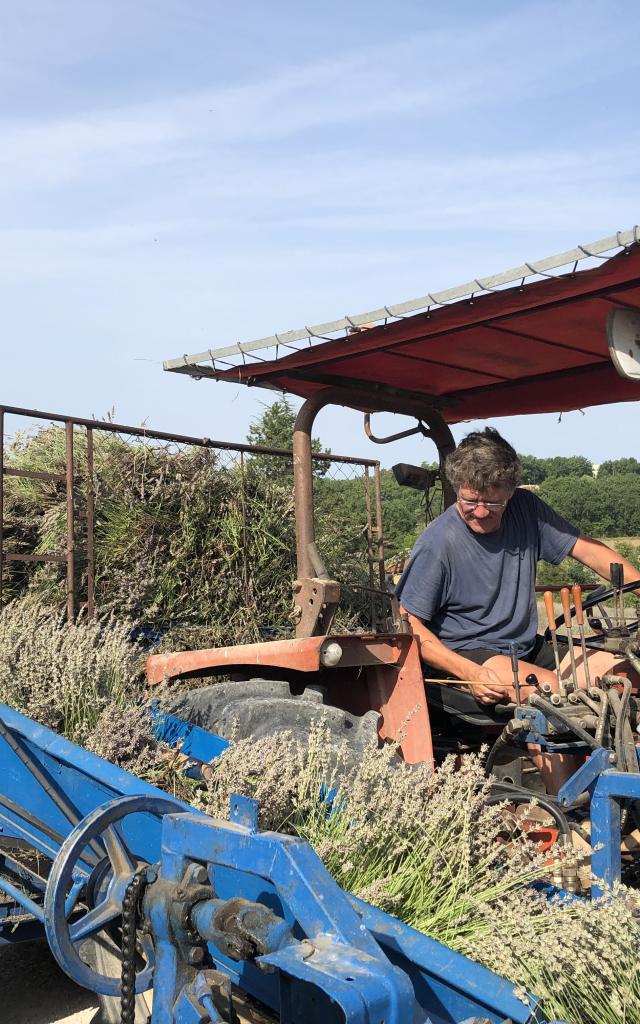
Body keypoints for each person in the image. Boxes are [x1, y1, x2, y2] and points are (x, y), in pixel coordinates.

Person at [396, 427, 640, 718]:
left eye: (493, 502)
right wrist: (469, 671)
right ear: (458, 486)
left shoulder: (527, 509)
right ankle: (568, 762)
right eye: (470, 501)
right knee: (553, 698)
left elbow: (590, 551)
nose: (482, 512)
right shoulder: (438, 543)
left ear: (511, 491)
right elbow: (408, 624)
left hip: (524, 646)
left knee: (623, 672)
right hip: (467, 653)